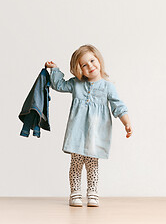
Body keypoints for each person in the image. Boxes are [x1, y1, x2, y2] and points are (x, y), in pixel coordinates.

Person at [45, 44, 132, 207]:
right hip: (77, 132)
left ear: (98, 60)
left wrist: (126, 122)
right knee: (76, 163)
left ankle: (92, 193)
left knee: (92, 164)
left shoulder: (107, 86)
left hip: (96, 133)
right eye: (84, 65)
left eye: (92, 60)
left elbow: (117, 105)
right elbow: (59, 85)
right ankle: (75, 193)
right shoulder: (76, 84)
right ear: (79, 69)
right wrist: (54, 69)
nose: (90, 66)